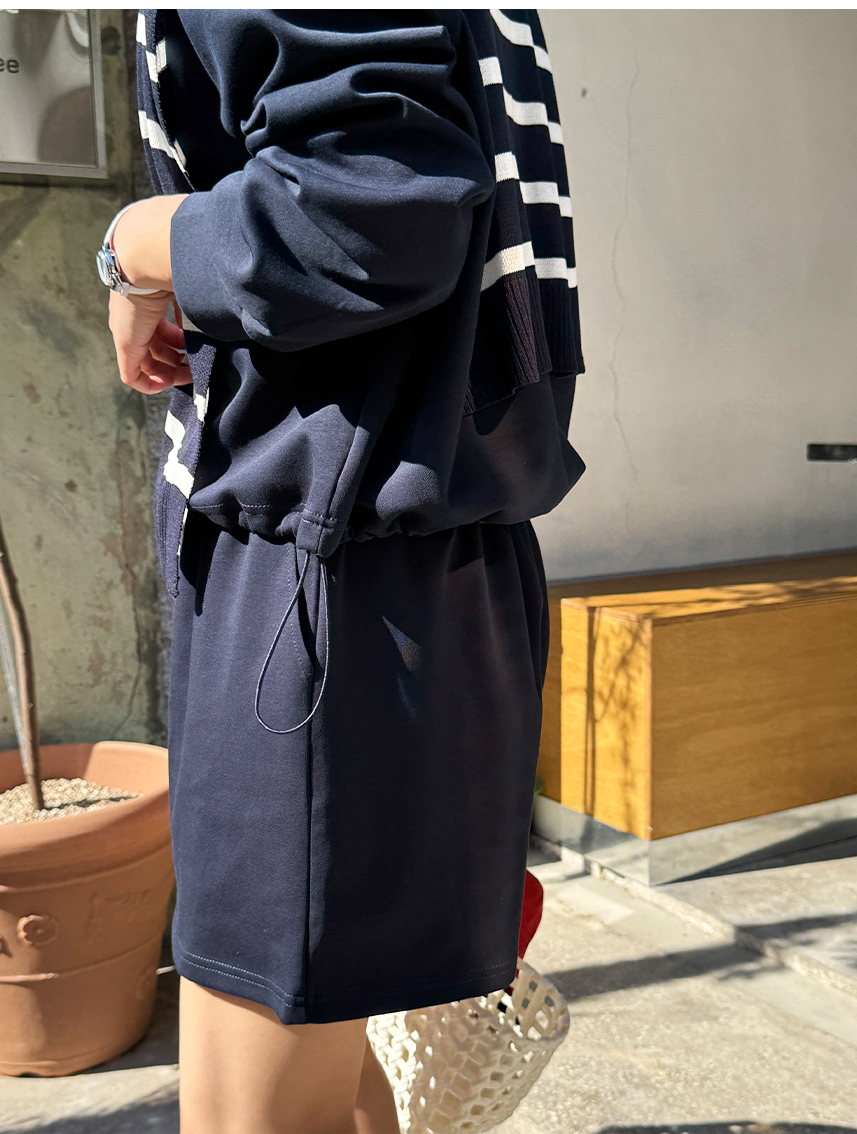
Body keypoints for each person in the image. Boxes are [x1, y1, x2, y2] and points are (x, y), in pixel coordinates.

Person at [99, 10, 584, 1133]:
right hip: (369, 557)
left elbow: (365, 211)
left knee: (253, 1106)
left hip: (324, 580)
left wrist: (136, 243)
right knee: (326, 1059)